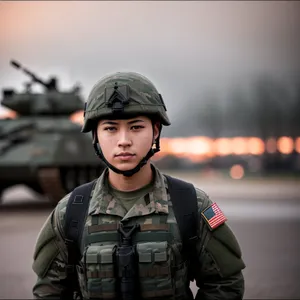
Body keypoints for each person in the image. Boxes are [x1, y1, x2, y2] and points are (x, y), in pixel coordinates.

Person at [32, 72, 245, 300]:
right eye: (111, 128)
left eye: (135, 127)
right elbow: (49, 290)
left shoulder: (191, 204)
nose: (124, 140)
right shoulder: (71, 211)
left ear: (155, 131)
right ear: (95, 135)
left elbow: (225, 282)